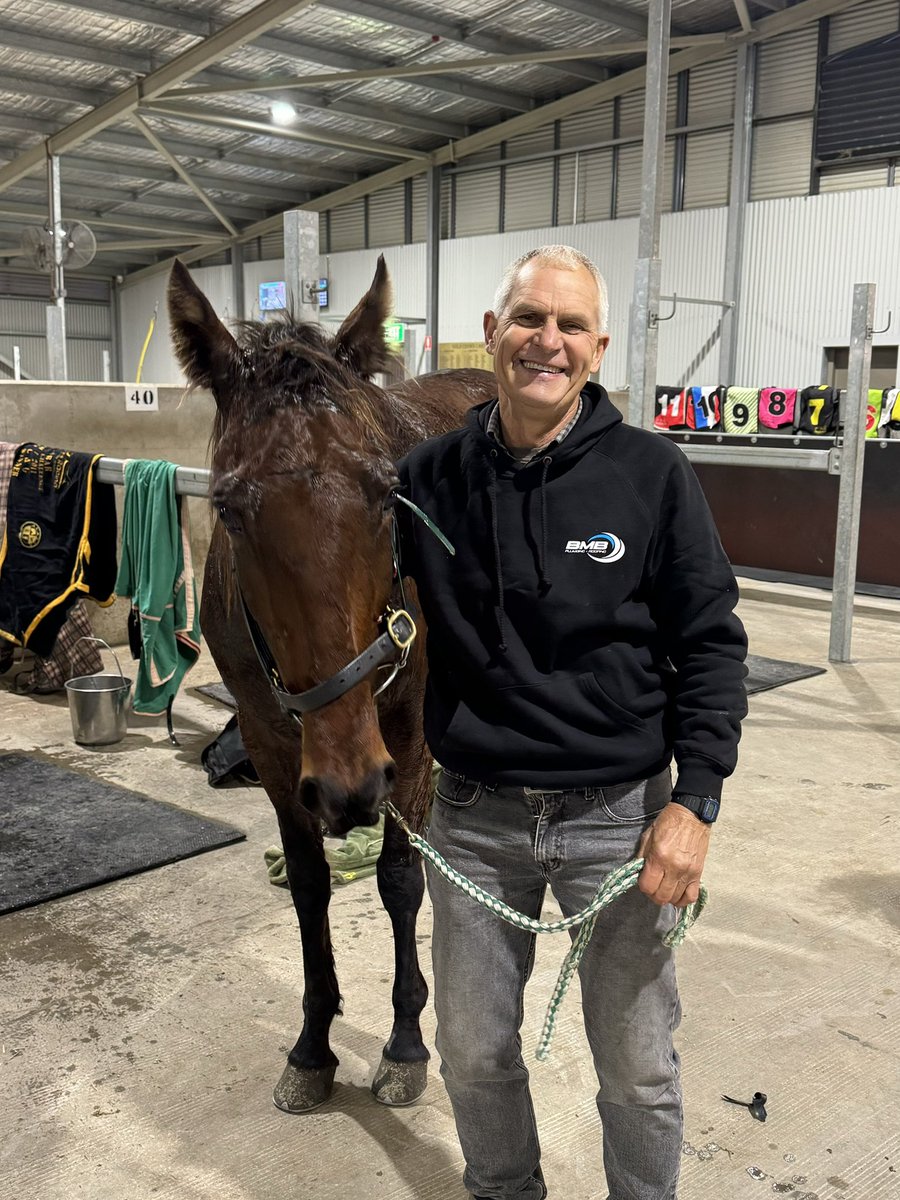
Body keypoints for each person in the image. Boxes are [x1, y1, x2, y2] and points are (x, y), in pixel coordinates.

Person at [396, 245, 748, 1200]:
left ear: (596, 348)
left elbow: (712, 643)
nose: (545, 340)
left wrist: (697, 804)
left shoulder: (653, 474)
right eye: (527, 318)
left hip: (620, 821)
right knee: (470, 1055)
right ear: (491, 334)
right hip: (471, 818)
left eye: (569, 325)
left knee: (638, 1068)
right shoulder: (424, 483)